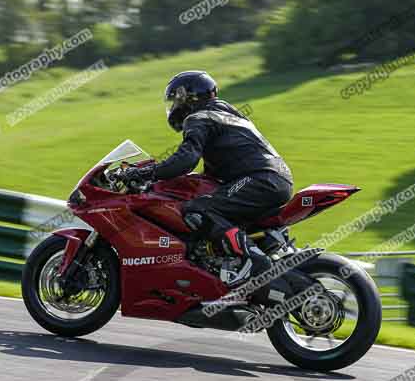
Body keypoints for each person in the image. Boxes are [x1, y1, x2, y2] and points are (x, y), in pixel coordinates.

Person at [123, 71, 295, 289]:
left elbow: (186, 159)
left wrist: (147, 173)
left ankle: (254, 262)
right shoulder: (227, 112)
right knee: (210, 203)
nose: (174, 105)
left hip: (259, 178)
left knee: (198, 210)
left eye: (176, 98)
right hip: (272, 177)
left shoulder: (199, 117)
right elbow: (215, 166)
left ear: (190, 96)